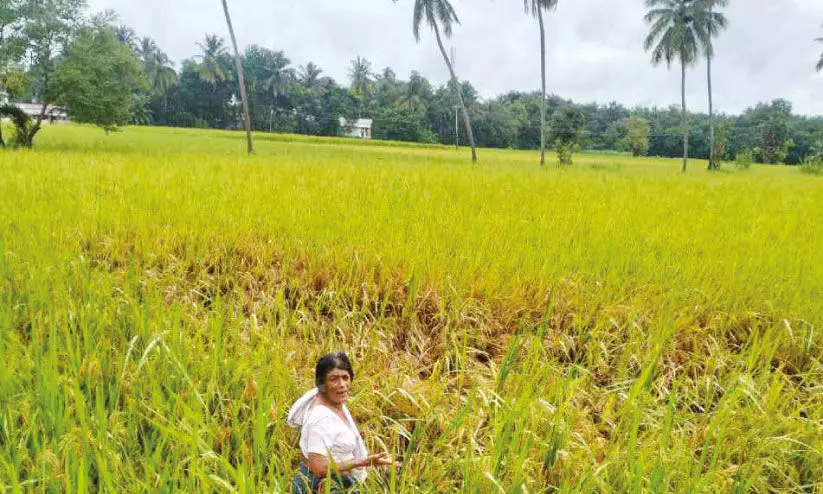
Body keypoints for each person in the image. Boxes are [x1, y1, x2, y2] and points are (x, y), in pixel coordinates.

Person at [288, 352, 392, 493]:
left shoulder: (337, 405)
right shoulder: (321, 418)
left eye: (345, 377)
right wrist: (362, 462)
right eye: (334, 379)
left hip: (338, 483)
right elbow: (318, 467)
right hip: (321, 486)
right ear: (322, 383)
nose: (342, 385)